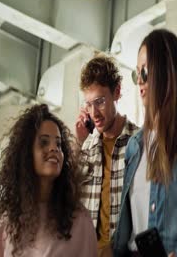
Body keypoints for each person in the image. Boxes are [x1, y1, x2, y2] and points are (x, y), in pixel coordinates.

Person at [112, 29, 177, 257]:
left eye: (146, 73)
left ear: (167, 72)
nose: (139, 81)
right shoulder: (134, 146)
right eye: (136, 74)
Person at [0, 104, 97, 257]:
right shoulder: (9, 221)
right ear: (26, 154)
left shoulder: (80, 220)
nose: (54, 148)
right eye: (44, 142)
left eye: (58, 144)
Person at [75, 54, 139, 256]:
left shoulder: (140, 143)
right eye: (88, 104)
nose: (93, 113)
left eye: (100, 101)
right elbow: (64, 198)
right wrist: (78, 142)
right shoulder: (85, 149)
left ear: (117, 91)